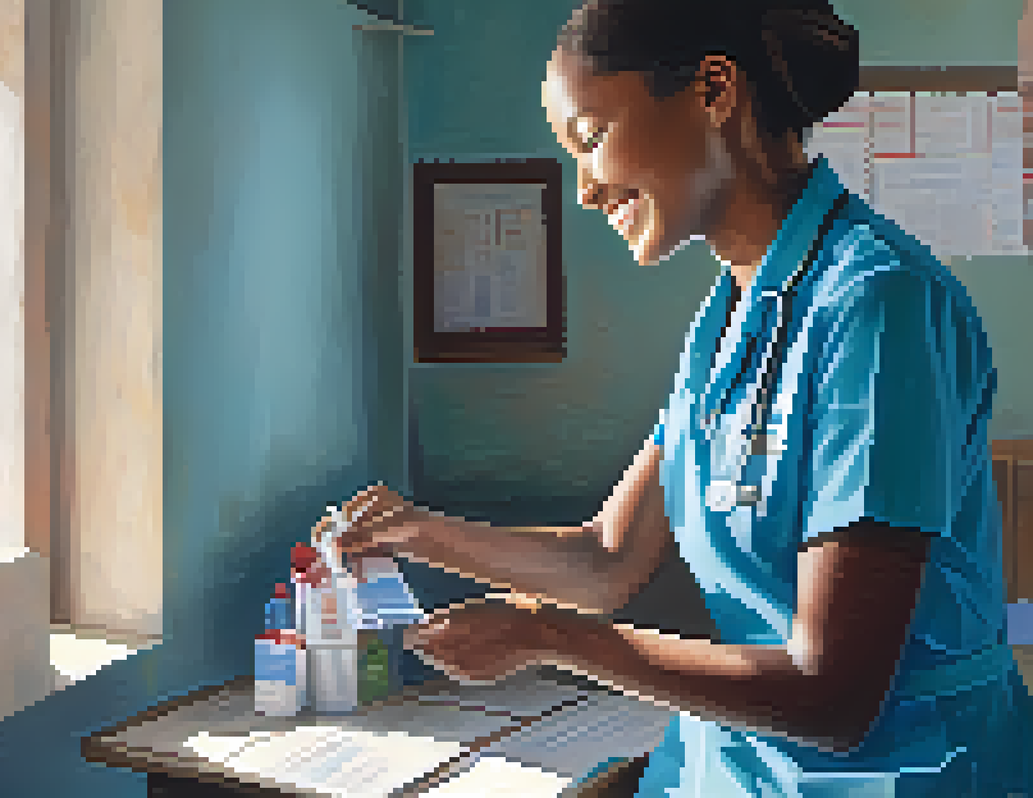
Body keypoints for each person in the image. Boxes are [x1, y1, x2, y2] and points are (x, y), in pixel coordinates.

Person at [324, 1, 1033, 795]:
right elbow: (607, 558)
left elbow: (834, 695)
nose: (585, 190)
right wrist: (417, 531)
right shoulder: (726, 318)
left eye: (592, 137)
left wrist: (550, 637)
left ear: (714, 91)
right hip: (740, 767)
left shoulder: (878, 305)